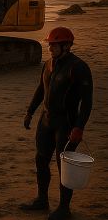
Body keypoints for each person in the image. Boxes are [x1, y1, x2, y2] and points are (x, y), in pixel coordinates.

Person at [20, 27, 92, 220]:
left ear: (66, 46)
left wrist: (79, 127)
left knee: (64, 167)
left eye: (54, 45)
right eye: (50, 44)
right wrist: (29, 112)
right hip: (46, 120)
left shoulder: (78, 67)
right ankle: (42, 199)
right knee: (41, 159)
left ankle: (64, 208)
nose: (50, 48)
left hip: (66, 124)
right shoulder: (49, 64)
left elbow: (87, 102)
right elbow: (40, 89)